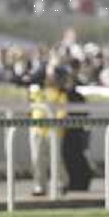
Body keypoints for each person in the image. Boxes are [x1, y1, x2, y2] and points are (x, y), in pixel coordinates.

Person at [29, 64, 70, 196]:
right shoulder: (38, 90)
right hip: (38, 129)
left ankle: (62, 182)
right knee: (37, 158)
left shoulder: (61, 93)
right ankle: (40, 186)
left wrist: (54, 122)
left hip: (54, 131)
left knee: (55, 158)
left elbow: (62, 112)